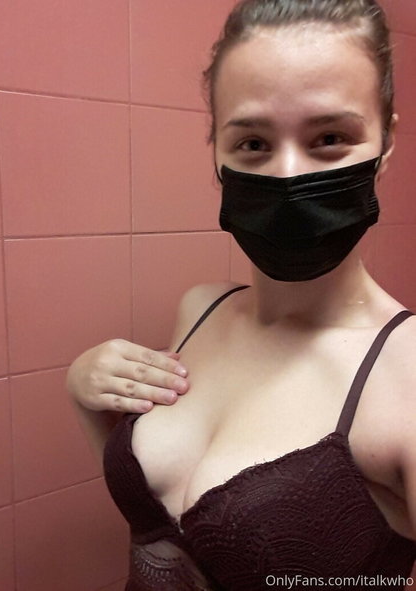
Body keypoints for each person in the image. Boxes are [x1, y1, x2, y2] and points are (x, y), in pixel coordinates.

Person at [67, 0, 416, 588]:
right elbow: (155, 519)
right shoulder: (199, 309)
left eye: (330, 137)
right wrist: (85, 394)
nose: (287, 176)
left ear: (386, 146)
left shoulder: (408, 376)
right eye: (253, 143)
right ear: (216, 153)